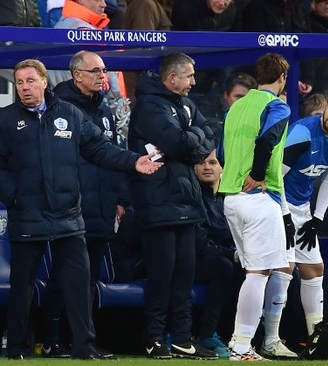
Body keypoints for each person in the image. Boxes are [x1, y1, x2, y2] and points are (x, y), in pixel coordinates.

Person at [0, 58, 162, 360]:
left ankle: (84, 346)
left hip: (67, 216)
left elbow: (99, 149)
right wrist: (15, 196)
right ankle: (17, 348)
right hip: (28, 215)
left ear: (44, 81)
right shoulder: (5, 120)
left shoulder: (69, 114)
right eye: (20, 82)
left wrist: (132, 161)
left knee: (78, 285)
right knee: (21, 287)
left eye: (30, 80)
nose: (25, 87)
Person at [127, 53, 216, 360]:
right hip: (157, 202)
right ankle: (153, 337)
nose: (193, 82)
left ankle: (181, 338)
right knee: (162, 277)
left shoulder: (186, 106)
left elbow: (208, 136)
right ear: (172, 78)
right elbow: (180, 143)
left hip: (187, 202)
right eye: (189, 76)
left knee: (183, 279)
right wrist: (190, 140)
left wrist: (188, 140)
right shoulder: (150, 107)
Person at [41, 50, 128, 358]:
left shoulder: (104, 111)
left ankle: (83, 341)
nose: (102, 75)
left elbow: (115, 154)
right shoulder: (59, 109)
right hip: (72, 207)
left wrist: (121, 197)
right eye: (95, 71)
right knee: (63, 275)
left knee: (89, 279)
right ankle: (52, 340)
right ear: (76, 75)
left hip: (103, 205)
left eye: (103, 70)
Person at [261, 87, 328, 359]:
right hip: (277, 202)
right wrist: (285, 216)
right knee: (285, 267)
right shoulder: (302, 133)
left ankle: (317, 340)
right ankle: (270, 340)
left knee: (315, 269)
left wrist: (316, 218)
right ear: (325, 105)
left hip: (303, 208)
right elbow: (276, 176)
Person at [218, 52, 291, 361]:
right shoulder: (277, 105)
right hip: (258, 197)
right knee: (259, 273)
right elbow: (267, 141)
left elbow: (222, 151)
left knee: (254, 271)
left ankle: (241, 343)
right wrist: (258, 175)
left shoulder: (237, 106)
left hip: (230, 197)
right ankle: (241, 345)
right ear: (282, 77)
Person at [193, 149, 239, 358]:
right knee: (224, 266)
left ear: (222, 168)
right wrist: (232, 254)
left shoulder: (231, 199)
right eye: (202, 163)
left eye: (212, 162)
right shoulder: (193, 197)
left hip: (226, 255)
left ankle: (242, 337)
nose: (207, 167)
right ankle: (207, 334)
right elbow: (199, 242)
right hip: (196, 259)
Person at [197, 71, 257, 141]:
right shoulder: (210, 118)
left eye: (248, 98)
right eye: (238, 97)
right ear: (226, 96)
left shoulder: (261, 118)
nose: (243, 102)